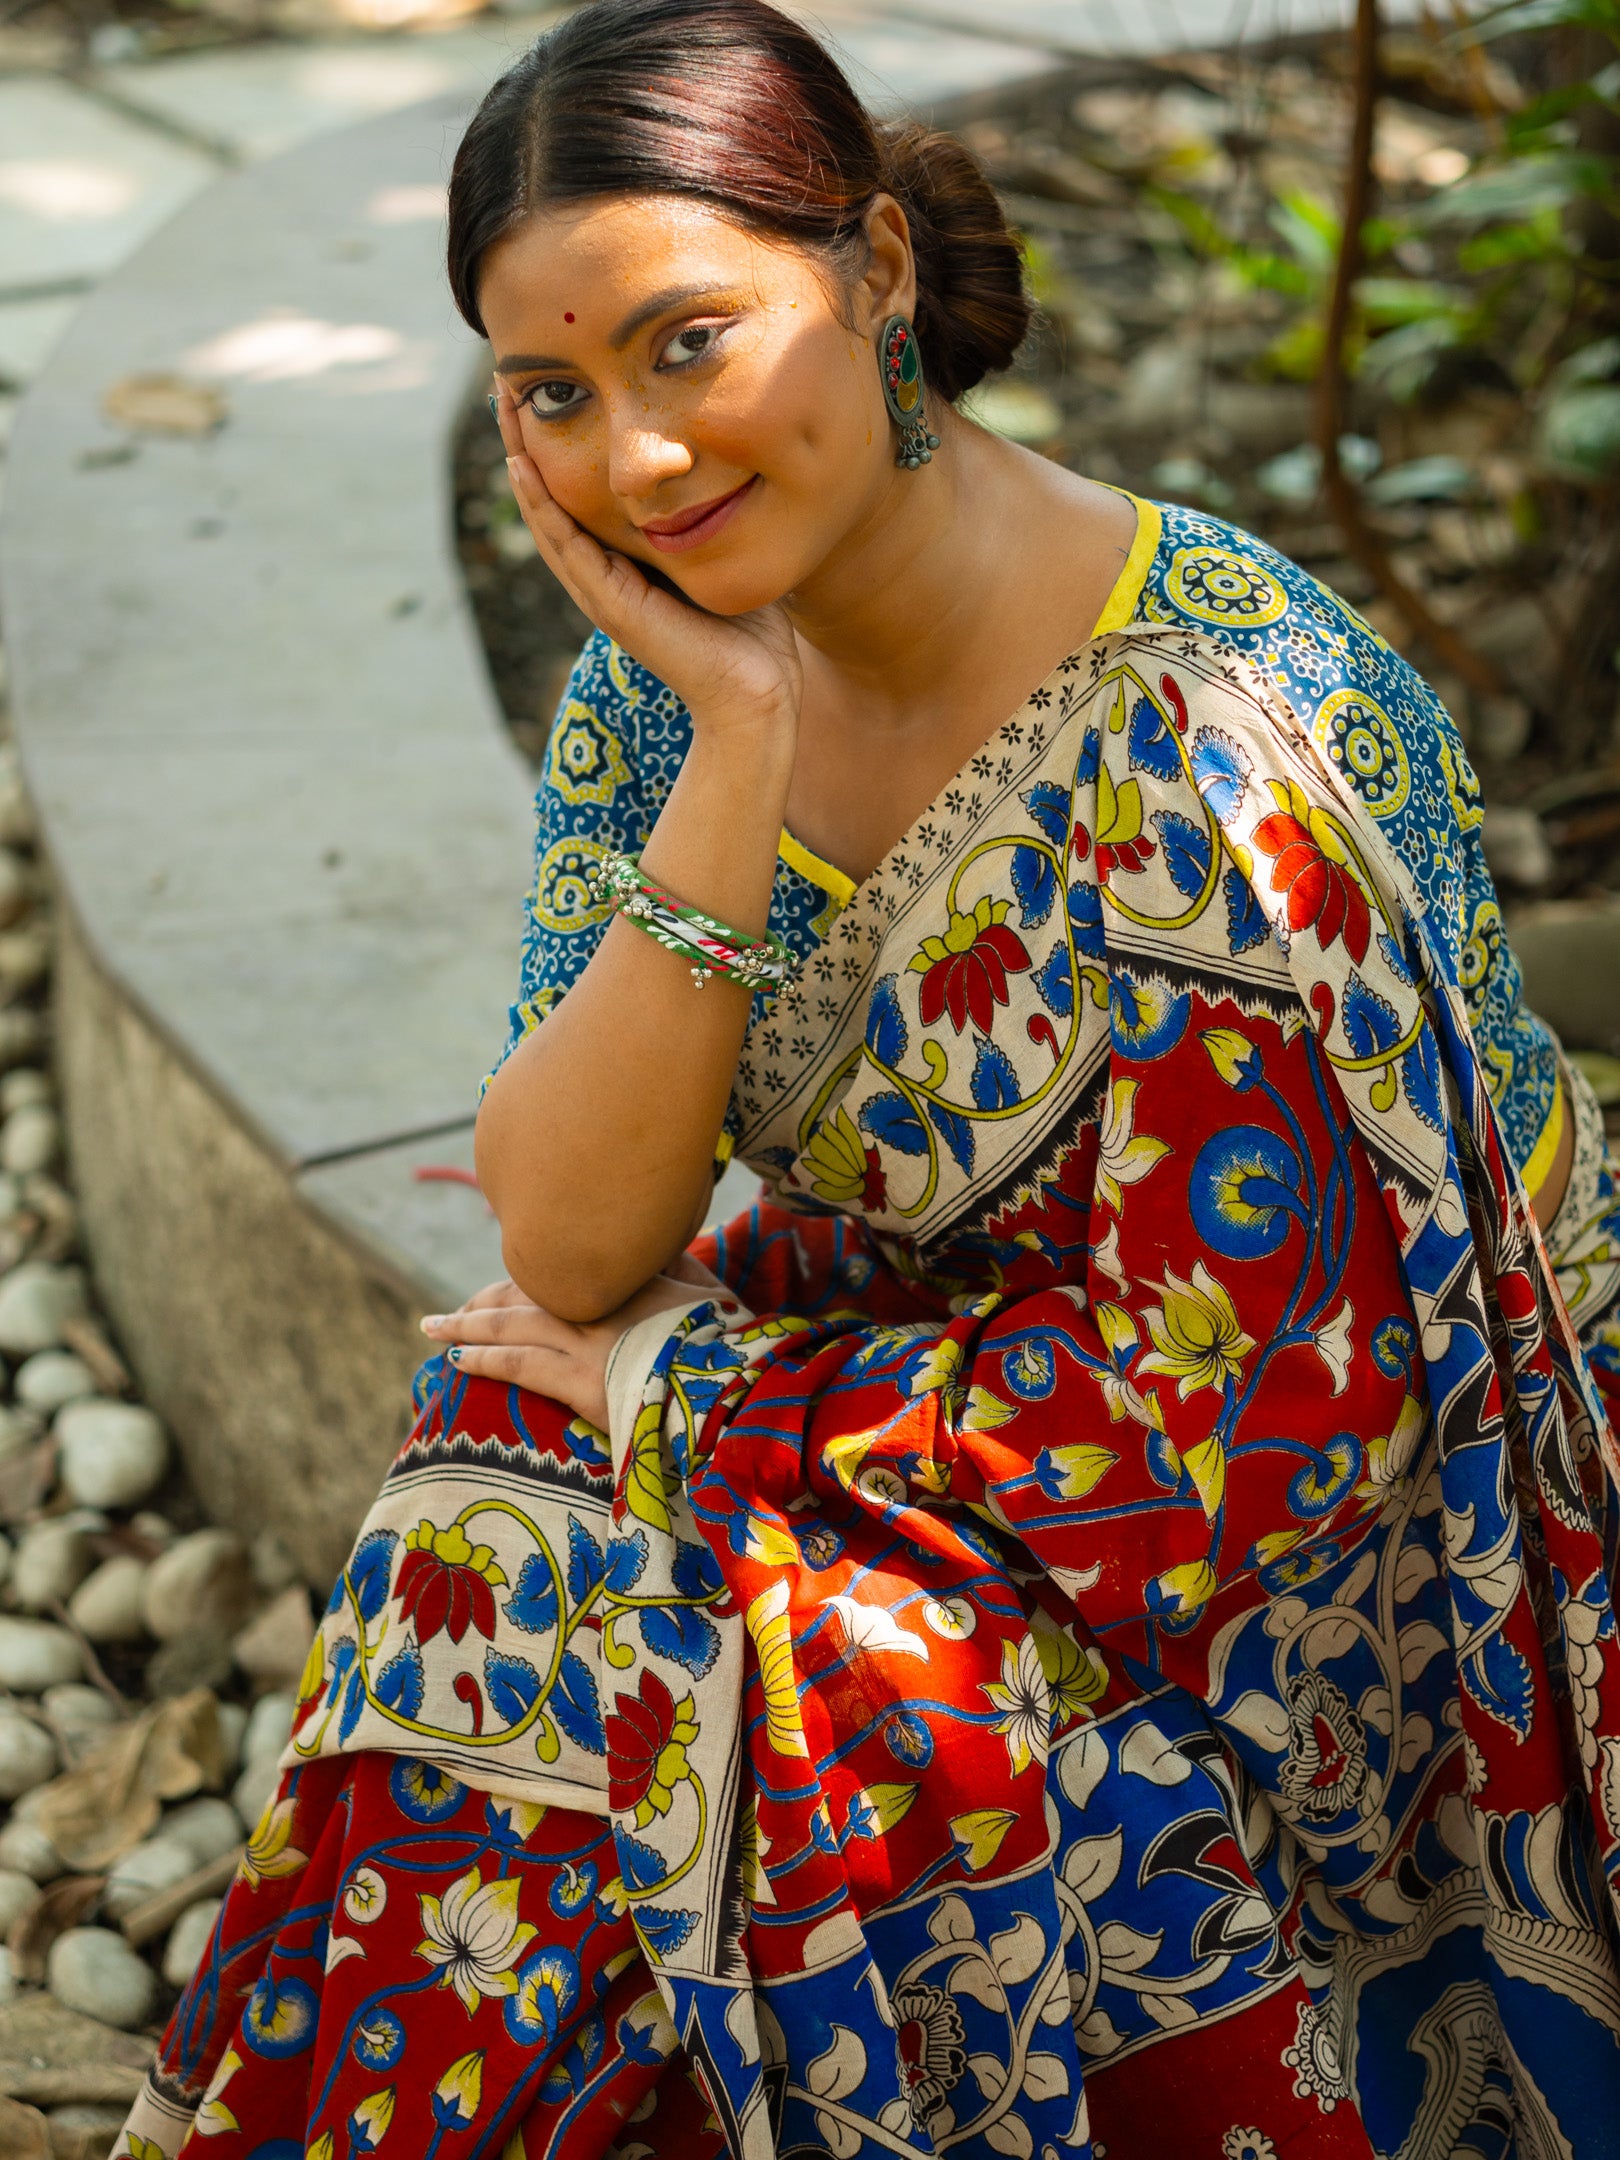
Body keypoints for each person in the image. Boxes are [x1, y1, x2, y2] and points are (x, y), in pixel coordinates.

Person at [116, 0, 1620, 2153]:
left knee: (609, 1571)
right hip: (983, 1429)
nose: (635, 457)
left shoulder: (1216, 744)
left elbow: (1263, 1434)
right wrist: (738, 746)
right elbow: (565, 1230)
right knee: (509, 1484)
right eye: (555, 392)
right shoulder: (667, 704)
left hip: (1354, 1589)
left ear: (880, 271)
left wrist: (682, 1401)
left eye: (689, 342)